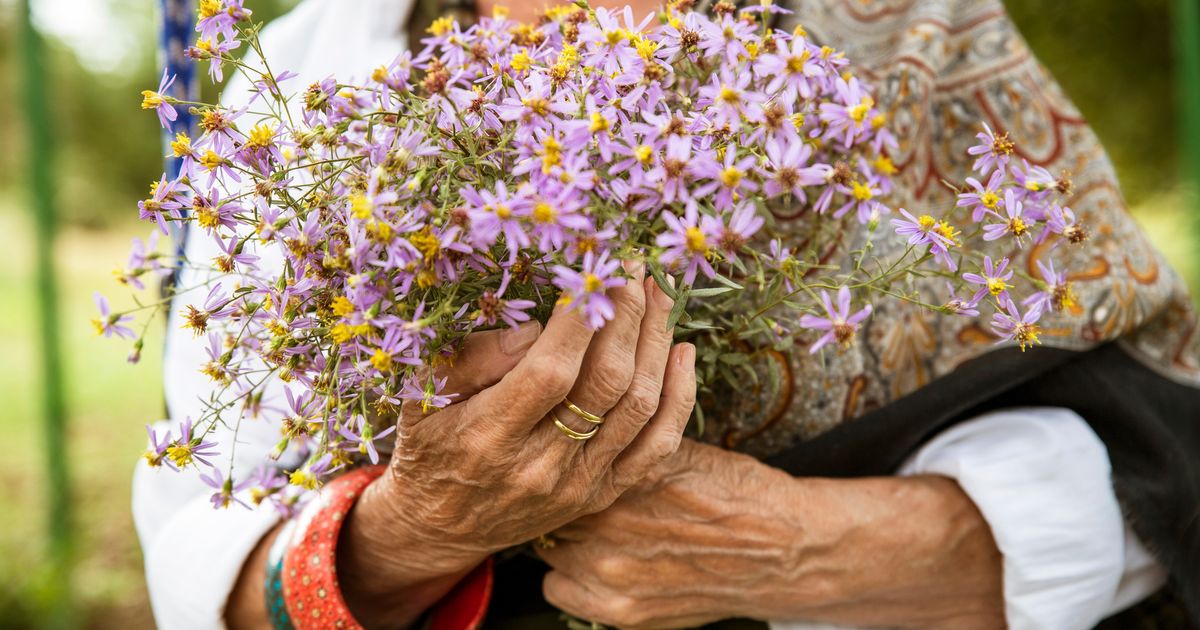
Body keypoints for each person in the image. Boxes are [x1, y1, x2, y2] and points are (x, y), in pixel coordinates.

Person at [133, 0, 1200, 628]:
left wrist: (813, 548)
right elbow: (207, 542)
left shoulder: (910, 30)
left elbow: (1168, 470)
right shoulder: (313, 75)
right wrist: (410, 533)